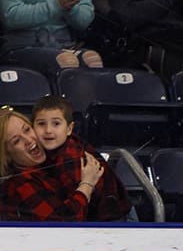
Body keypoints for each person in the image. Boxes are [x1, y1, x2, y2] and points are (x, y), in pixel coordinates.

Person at [30, 93, 133, 221]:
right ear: (32, 126)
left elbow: (75, 213)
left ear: (69, 129)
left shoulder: (71, 157)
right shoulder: (52, 150)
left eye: (56, 124)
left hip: (115, 220)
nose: (48, 130)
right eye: (41, 124)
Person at [0, 106, 104, 221]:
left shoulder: (51, 158)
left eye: (27, 130)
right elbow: (65, 224)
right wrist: (87, 184)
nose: (29, 140)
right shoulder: (21, 184)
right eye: (16, 141)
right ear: (6, 156)